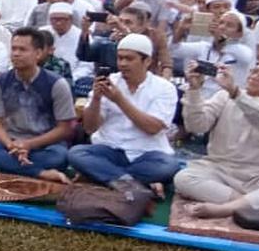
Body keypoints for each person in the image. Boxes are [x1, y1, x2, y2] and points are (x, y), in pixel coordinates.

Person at [175, 59, 259, 217]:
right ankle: (255, 204)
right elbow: (197, 126)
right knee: (184, 178)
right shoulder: (224, 96)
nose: (254, 76)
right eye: (254, 71)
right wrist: (194, 90)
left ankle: (225, 209)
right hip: (220, 170)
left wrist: (236, 93)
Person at [68, 33, 180, 194]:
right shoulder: (110, 81)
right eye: (120, 58)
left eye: (129, 59)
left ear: (147, 61)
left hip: (147, 154)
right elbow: (90, 127)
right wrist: (96, 100)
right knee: (76, 154)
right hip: (110, 150)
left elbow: (153, 128)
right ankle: (134, 184)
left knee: (169, 166)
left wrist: (119, 100)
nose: (123, 63)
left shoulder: (164, 88)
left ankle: (106, 178)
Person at [0, 27, 76, 183]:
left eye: (22, 49)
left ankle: (4, 165)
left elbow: (65, 128)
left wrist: (29, 144)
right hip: (11, 142)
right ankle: (40, 173)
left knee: (60, 157)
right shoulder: (0, 82)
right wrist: (11, 145)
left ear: (38, 53)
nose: (16, 54)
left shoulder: (57, 84)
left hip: (45, 145)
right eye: (14, 49)